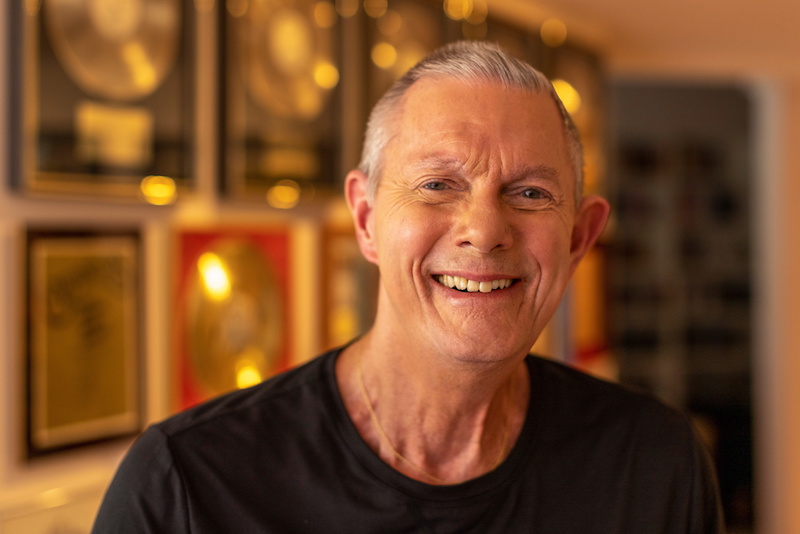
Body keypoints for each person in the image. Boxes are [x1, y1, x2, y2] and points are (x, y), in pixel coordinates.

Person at [92, 41, 724, 533]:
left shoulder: (653, 464)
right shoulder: (187, 486)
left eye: (530, 193)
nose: (483, 231)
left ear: (580, 239)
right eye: (437, 184)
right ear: (366, 219)